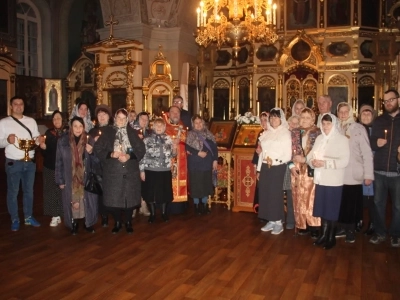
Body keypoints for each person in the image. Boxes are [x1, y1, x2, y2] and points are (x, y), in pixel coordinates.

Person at [94, 108, 146, 234]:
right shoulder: (107, 132)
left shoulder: (132, 132)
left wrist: (129, 156)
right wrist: (111, 154)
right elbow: (98, 149)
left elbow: (141, 149)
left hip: (130, 171)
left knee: (129, 199)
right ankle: (117, 221)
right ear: (115, 118)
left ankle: (128, 222)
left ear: (127, 119)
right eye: (119, 118)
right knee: (114, 199)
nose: (121, 120)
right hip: (113, 172)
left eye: (124, 118)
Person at [307, 113, 350, 250]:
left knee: (331, 210)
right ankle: (323, 234)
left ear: (334, 124)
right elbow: (309, 156)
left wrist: (324, 163)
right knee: (323, 208)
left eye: (328, 124)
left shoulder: (342, 140)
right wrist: (312, 162)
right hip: (321, 179)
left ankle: (331, 237)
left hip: (333, 180)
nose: (326, 126)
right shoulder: (320, 138)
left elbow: (344, 161)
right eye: (324, 123)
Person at [0, 96, 41, 231]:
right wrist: (7, 140)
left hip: (29, 162)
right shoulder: (4, 122)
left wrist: (38, 140)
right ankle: (15, 218)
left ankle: (28, 216)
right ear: (11, 106)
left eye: (21, 104)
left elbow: (35, 138)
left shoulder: (31, 121)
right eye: (15, 104)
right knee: (13, 191)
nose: (18, 106)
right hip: (13, 162)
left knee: (29, 191)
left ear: (24, 106)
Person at [335, 102, 374, 243]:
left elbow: (367, 153)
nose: (343, 114)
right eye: (341, 112)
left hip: (353, 172)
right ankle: (341, 227)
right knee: (341, 202)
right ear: (337, 113)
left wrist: (368, 175)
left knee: (351, 203)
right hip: (338, 172)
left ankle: (350, 230)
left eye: (346, 111)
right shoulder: (336, 128)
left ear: (351, 112)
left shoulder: (358, 128)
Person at [55, 116, 99, 235]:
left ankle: (87, 222)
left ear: (84, 127)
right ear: (71, 127)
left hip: (86, 176)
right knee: (72, 199)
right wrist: (60, 180)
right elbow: (59, 161)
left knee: (86, 200)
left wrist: (92, 152)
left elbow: (98, 162)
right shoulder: (63, 141)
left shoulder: (90, 140)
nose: (78, 129)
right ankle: (73, 222)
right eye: (75, 126)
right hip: (70, 176)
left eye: (80, 126)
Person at [369, 89, 400, 247]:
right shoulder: (379, 121)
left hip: (397, 171)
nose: (388, 103)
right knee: (378, 203)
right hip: (380, 169)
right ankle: (380, 232)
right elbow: (372, 142)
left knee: (397, 206)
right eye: (386, 101)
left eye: (391, 100)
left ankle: (396, 234)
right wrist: (376, 143)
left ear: (398, 100)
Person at [257, 108, 292, 235]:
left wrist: (276, 160)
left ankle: (278, 222)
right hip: (266, 166)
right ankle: (271, 219)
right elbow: (262, 153)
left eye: (276, 117)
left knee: (275, 194)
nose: (273, 120)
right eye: (271, 117)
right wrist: (259, 169)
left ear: (281, 119)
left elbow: (288, 155)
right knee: (265, 193)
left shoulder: (285, 133)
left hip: (278, 166)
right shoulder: (267, 133)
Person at [289, 108, 322, 236]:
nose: (305, 120)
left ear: (313, 119)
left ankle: (314, 226)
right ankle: (302, 225)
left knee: (311, 197)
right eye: (302, 117)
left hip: (310, 167)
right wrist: (291, 166)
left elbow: (319, 152)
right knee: (298, 196)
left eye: (308, 117)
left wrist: (305, 159)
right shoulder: (294, 132)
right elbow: (289, 152)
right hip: (296, 168)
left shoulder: (317, 133)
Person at [140, 118, 177, 222]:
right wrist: (142, 170)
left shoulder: (168, 139)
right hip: (150, 169)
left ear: (164, 127)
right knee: (150, 193)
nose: (159, 128)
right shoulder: (147, 140)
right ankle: (152, 214)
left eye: (161, 126)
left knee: (165, 193)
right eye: (157, 126)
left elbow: (173, 155)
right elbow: (142, 156)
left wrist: (174, 148)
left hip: (164, 170)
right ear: (153, 127)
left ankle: (164, 213)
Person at [186, 115, 218, 215]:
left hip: (206, 163)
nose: (199, 124)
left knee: (205, 184)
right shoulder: (190, 135)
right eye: (196, 123)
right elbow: (187, 147)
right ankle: (196, 205)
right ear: (193, 124)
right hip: (195, 163)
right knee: (196, 185)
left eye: (200, 122)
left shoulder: (209, 134)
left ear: (203, 123)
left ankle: (204, 205)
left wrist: (215, 160)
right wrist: (198, 153)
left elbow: (214, 148)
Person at [39, 110, 66, 227]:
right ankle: (55, 215)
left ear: (63, 120)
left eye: (58, 118)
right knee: (51, 191)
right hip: (50, 166)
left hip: (64, 167)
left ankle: (63, 213)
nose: (56, 121)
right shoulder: (49, 133)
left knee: (63, 192)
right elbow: (45, 153)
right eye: (54, 119)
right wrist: (43, 147)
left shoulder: (68, 132)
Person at [88, 104, 113, 227]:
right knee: (99, 192)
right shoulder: (92, 132)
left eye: (104, 114)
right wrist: (92, 143)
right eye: (99, 115)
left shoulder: (113, 130)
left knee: (109, 191)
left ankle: (110, 212)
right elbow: (88, 148)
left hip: (110, 166)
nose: (102, 117)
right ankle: (102, 215)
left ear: (108, 117)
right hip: (96, 166)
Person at [163, 106, 188, 212]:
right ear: (169, 114)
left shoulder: (184, 127)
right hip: (168, 161)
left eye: (177, 112)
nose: (175, 114)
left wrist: (180, 142)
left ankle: (180, 205)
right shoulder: (164, 126)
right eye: (172, 112)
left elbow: (188, 143)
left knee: (180, 181)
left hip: (181, 160)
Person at [359, 104, 376, 235]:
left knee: (372, 199)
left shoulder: (376, 129)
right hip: (358, 168)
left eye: (368, 114)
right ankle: (359, 221)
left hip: (372, 168)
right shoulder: (356, 129)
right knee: (359, 198)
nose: (365, 116)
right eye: (363, 114)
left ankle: (372, 223)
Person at [132, 111, 152, 218]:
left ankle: (143, 205)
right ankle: (134, 207)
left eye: (146, 119)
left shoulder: (149, 132)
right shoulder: (132, 131)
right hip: (135, 162)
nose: (144, 121)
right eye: (142, 119)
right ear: (137, 120)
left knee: (144, 184)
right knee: (135, 185)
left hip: (147, 162)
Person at [282, 114, 300, 230]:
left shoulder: (299, 136)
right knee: (283, 193)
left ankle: (292, 220)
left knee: (291, 194)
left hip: (295, 166)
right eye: (291, 123)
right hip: (284, 166)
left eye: (295, 123)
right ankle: (281, 217)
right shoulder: (284, 135)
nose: (292, 125)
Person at [252, 112, 268, 214]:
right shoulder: (261, 133)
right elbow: (256, 150)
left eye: (265, 120)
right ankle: (260, 209)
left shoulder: (272, 133)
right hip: (260, 164)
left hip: (267, 163)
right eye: (261, 120)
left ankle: (266, 210)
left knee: (267, 187)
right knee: (260, 187)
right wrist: (255, 164)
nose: (263, 122)